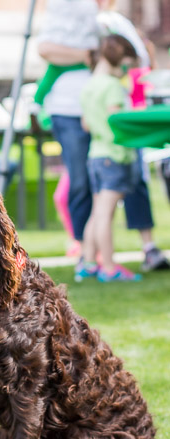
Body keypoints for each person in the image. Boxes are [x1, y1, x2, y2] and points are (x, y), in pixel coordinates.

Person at [38, 0, 169, 273]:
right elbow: (46, 49)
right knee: (84, 185)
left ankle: (144, 247)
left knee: (132, 179)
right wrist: (90, 54)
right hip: (73, 112)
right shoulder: (69, 16)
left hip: (113, 117)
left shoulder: (115, 23)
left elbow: (137, 60)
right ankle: (88, 254)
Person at [77, 34, 141, 282]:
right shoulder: (113, 86)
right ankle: (110, 266)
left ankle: (89, 262)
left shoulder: (89, 85)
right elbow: (117, 122)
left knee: (96, 212)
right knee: (106, 214)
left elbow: (85, 124)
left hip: (95, 155)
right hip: (113, 155)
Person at [34, 0, 99, 108]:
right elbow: (93, 27)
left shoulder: (54, 2)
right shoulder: (89, 6)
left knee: (46, 83)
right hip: (84, 57)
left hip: (59, 56)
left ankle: (36, 106)